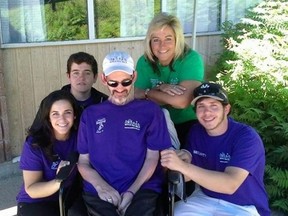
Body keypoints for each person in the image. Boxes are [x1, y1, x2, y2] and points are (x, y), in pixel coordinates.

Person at [77, 50, 172, 216]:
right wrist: (101, 186)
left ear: (134, 77)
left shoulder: (151, 111)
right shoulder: (90, 115)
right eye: (113, 83)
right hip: (99, 189)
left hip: (142, 187)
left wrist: (131, 192)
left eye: (126, 82)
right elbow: (83, 161)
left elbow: (152, 158)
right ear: (104, 79)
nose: (120, 88)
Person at [160, 82, 270, 216]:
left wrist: (182, 166)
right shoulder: (196, 131)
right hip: (205, 198)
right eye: (201, 106)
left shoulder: (246, 137)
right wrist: (176, 160)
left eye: (214, 106)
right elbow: (187, 174)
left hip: (242, 206)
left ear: (226, 109)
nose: (207, 112)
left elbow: (230, 185)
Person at [134, 12, 204, 146]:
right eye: (156, 40)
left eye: (168, 39)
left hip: (189, 124)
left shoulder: (190, 58)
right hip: (156, 122)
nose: (162, 46)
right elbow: (135, 95)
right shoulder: (144, 62)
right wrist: (161, 88)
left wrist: (149, 93)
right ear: (149, 42)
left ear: (177, 39)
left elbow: (182, 101)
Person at [16, 90, 81, 216]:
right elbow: (31, 189)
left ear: (74, 115)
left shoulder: (80, 136)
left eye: (67, 112)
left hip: (66, 198)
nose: (62, 119)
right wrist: (58, 180)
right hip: (35, 202)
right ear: (48, 118)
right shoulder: (35, 143)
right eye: (55, 114)